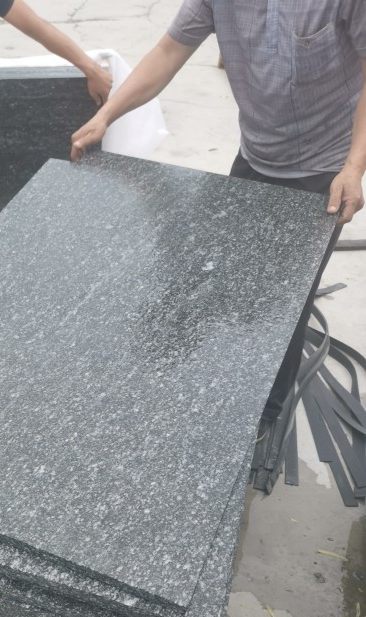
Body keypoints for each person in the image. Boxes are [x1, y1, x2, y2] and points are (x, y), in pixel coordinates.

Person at [71, 1, 366, 421]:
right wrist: (107, 115)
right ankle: (230, 395)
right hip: (256, 152)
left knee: (286, 304)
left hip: (324, 169)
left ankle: (264, 417)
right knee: (229, 279)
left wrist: (354, 166)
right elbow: (169, 51)